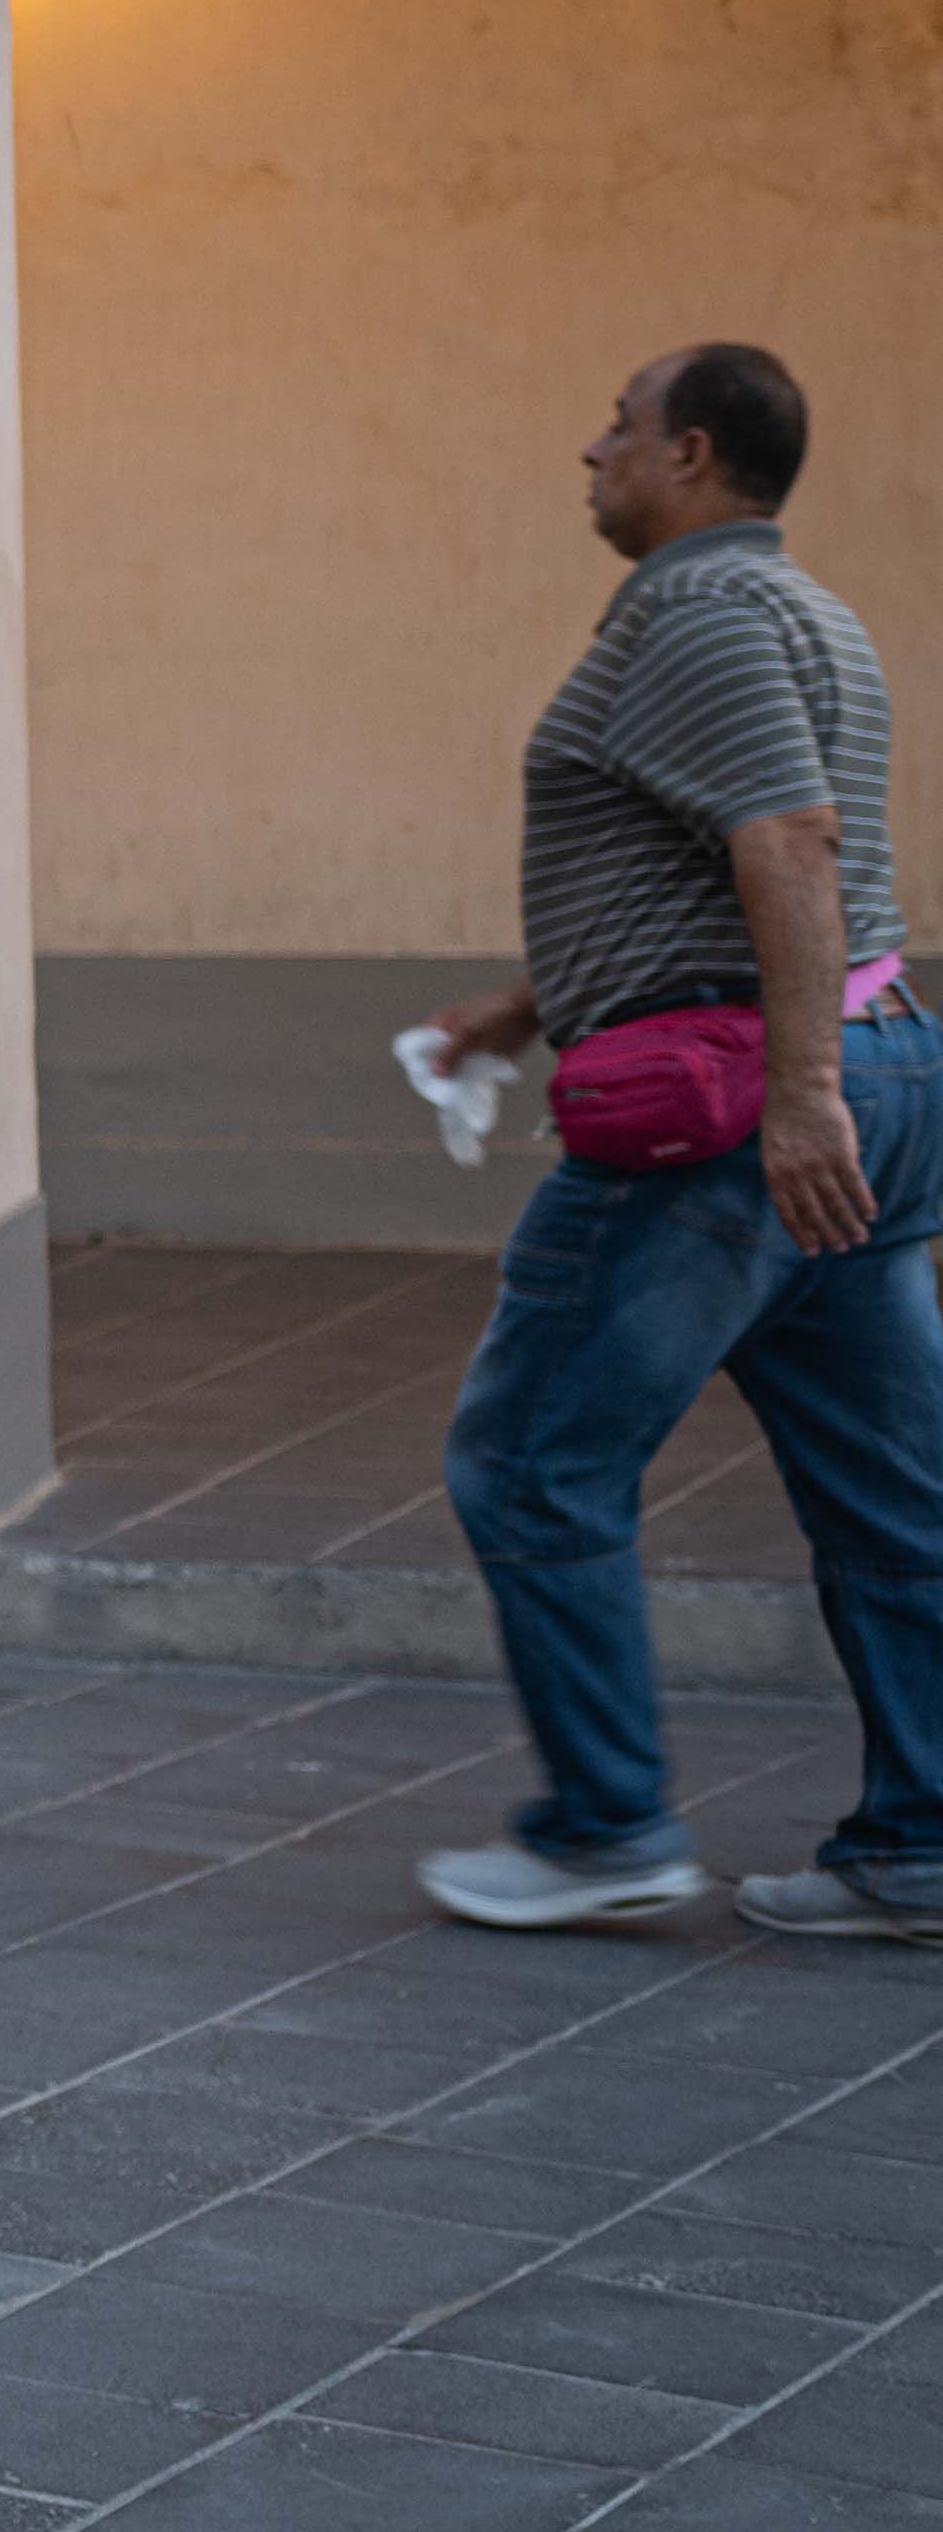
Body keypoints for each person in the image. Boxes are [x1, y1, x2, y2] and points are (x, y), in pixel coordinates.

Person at [407, 346, 941, 1943]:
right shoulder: (807, 611)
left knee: (526, 1459)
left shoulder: (690, 615)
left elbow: (782, 841)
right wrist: (526, 1004)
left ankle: (600, 1828)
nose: (590, 452)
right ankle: (920, 1847)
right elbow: (714, 856)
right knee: (893, 1498)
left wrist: (793, 1101)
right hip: (873, 1055)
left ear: (690, 454)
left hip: (737, 1118)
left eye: (617, 427)